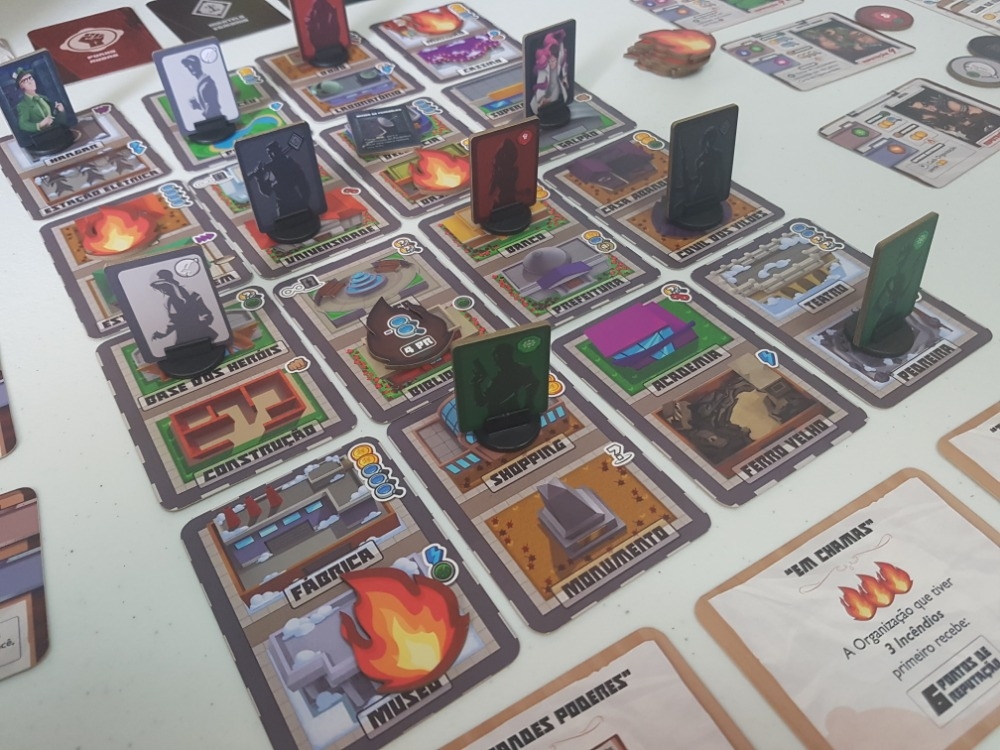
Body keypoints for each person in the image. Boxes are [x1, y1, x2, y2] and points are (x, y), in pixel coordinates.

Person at [150, 270, 218, 346]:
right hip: (183, 338)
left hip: (201, 335)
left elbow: (207, 314)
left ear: (171, 283)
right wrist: (163, 333)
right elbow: (174, 321)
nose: (163, 291)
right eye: (159, 288)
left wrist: (200, 325)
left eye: (163, 287)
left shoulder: (192, 295)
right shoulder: (168, 302)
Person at [248, 141, 309, 218]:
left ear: (279, 150)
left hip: (296, 202)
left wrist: (304, 202)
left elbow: (303, 184)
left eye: (273, 151)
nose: (271, 155)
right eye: (269, 153)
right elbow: (267, 192)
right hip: (282, 207)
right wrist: (259, 178)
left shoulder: (290, 163)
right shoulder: (270, 170)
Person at [14, 68, 66, 136]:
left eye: (30, 78)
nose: (30, 82)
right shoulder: (23, 105)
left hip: (58, 132)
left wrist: (60, 111)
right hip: (43, 136)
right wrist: (39, 125)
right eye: (24, 80)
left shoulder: (44, 98)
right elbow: (23, 124)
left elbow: (53, 117)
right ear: (21, 86)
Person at [529, 30, 569, 115]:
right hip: (546, 97)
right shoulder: (543, 69)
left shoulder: (560, 60)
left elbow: (563, 62)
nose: (551, 64)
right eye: (549, 61)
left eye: (553, 61)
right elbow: (540, 85)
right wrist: (541, 99)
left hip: (557, 93)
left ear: (557, 59)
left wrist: (565, 78)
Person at [181, 55, 222, 121]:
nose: (190, 67)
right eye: (187, 65)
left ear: (198, 65)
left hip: (216, 120)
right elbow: (208, 107)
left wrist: (205, 114)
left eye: (192, 64)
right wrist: (197, 105)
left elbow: (211, 106)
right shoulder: (201, 82)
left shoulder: (207, 82)